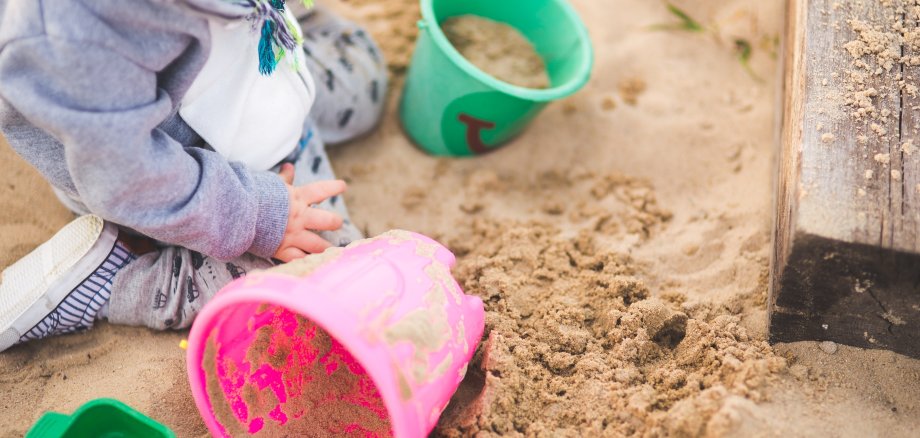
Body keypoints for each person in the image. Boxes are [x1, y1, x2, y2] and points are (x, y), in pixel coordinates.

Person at [0, 0, 387, 351]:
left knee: (364, 83)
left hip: (255, 73)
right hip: (189, 182)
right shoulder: (72, 31)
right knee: (330, 272)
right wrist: (259, 216)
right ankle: (117, 280)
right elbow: (129, 179)